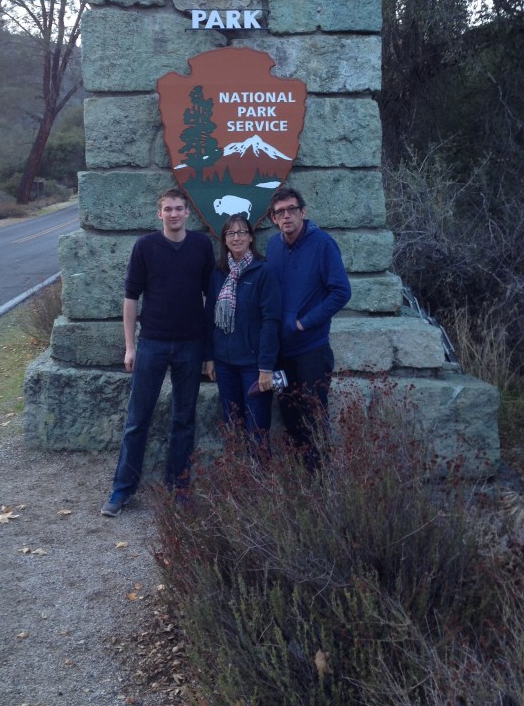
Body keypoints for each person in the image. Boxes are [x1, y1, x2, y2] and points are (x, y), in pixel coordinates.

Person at [101, 187, 215, 516]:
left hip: (191, 345)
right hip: (152, 342)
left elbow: (211, 298)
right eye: (168, 209)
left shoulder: (201, 246)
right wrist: (130, 346)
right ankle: (122, 490)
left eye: (179, 208)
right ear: (159, 214)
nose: (174, 214)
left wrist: (208, 350)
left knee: (184, 419)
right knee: (138, 419)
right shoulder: (145, 247)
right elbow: (130, 298)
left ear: (188, 213)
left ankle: (178, 487)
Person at [265, 186, 351, 471]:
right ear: (274, 219)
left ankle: (321, 487)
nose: (286, 216)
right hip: (281, 353)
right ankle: (300, 482)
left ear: (303, 212)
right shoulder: (273, 246)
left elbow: (341, 292)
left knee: (314, 416)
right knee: (290, 417)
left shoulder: (323, 244)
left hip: (311, 351)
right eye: (280, 212)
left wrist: (304, 322)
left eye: (291, 210)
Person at [204, 213, 281, 448]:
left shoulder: (263, 271)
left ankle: (261, 483)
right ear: (224, 239)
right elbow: (209, 317)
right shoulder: (219, 273)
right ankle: (239, 482)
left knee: (257, 429)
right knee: (233, 427)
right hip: (225, 364)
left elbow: (271, 320)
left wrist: (266, 367)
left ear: (250, 238)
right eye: (230, 233)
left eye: (241, 232)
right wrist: (209, 357)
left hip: (254, 365)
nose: (236, 237)